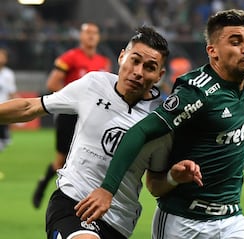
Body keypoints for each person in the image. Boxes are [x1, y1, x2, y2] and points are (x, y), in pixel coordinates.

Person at [75, 9, 244, 239]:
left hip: (231, 219)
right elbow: (141, 131)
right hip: (183, 222)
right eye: (235, 42)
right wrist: (108, 189)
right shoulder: (196, 92)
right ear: (212, 51)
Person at [0, 26, 202, 239]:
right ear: (122, 57)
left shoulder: (162, 120)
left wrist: (173, 177)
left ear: (160, 74)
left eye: (149, 67)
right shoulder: (93, 84)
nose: (138, 72)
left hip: (118, 222)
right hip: (72, 203)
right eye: (134, 60)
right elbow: (30, 107)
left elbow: (154, 185)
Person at [32, 22, 112, 209]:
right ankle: (43, 185)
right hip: (70, 115)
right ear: (81, 37)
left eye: (95, 33)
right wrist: (74, 100)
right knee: (61, 160)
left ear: (99, 37)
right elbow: (52, 84)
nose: (91, 36)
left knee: (93, 158)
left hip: (93, 116)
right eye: (87, 33)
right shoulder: (70, 57)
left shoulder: (103, 62)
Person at [0, 47, 17, 152]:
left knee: (5, 139)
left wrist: (13, 108)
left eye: (2, 56)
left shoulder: (9, 74)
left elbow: (12, 92)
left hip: (3, 106)